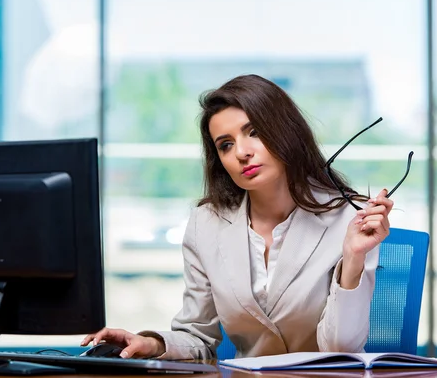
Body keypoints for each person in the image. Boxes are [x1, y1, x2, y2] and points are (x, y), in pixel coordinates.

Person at [81, 74, 393, 360]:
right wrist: (153, 344)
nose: (241, 152)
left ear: (286, 131)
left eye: (253, 132)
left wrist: (353, 259)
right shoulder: (207, 224)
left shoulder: (349, 218)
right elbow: (198, 335)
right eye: (226, 145)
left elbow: (342, 351)